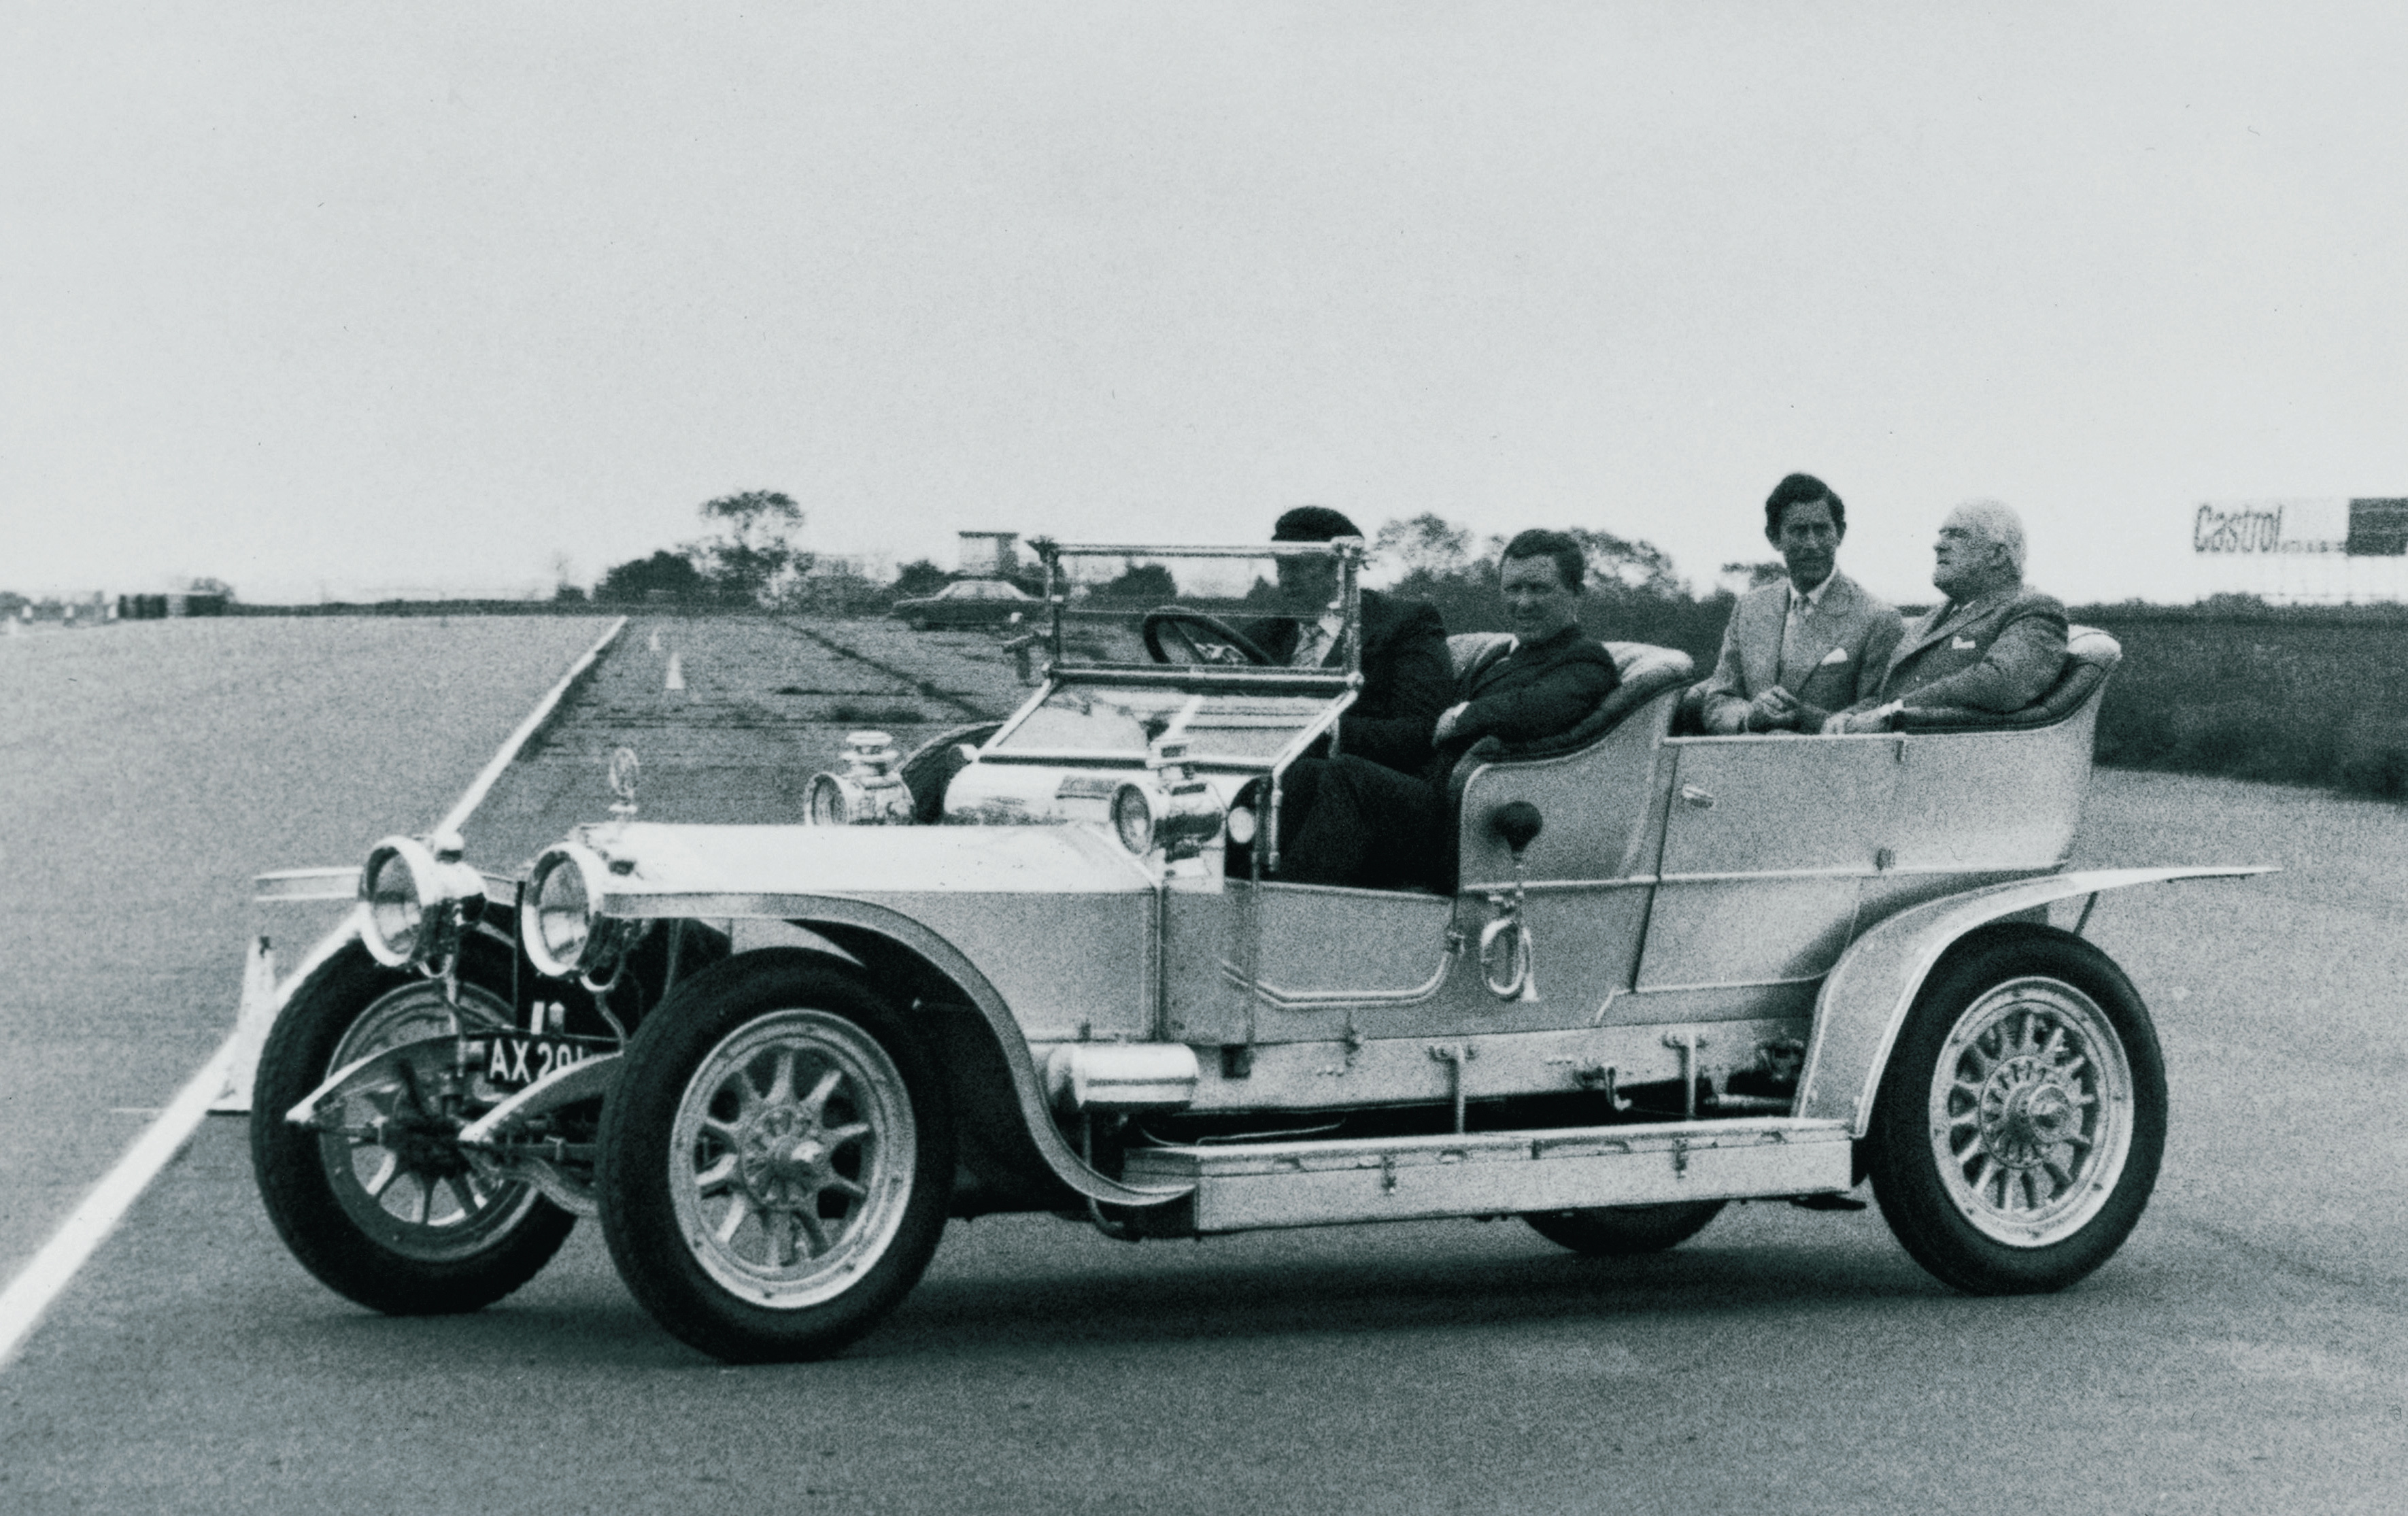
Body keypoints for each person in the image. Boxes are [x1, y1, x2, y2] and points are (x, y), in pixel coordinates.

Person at [1241, 505, 1453, 776]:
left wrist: (1321, 729)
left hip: (1358, 784)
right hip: (1261, 775)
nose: (1285, 579)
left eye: (1297, 565)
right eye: (1280, 566)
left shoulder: (1405, 624)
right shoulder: (1265, 635)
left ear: (1341, 569)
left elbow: (1422, 731)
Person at [1825, 499, 2069, 733]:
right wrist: (1847, 718)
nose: (1938, 545)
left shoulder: (2035, 609)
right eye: (1942, 534)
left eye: (1958, 535)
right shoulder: (1934, 618)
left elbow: (2001, 684)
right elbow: (1889, 696)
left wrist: (1893, 713)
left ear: (1997, 555)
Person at [1696, 473, 1903, 735]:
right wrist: (1750, 716)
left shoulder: (1879, 618)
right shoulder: (1750, 609)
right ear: (1774, 537)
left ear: (1840, 534)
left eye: (1822, 529)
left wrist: (1805, 718)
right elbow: (1719, 699)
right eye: (1798, 531)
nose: (1812, 544)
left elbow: (1880, 708)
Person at [1427, 530, 1620, 792]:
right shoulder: (1502, 652)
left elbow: (1536, 709)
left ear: (1577, 593)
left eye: (1539, 588)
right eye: (1513, 589)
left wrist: (1459, 717)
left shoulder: (1587, 660)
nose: (1524, 603)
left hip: (1466, 799)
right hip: (1432, 782)